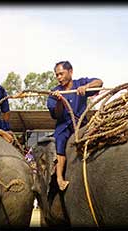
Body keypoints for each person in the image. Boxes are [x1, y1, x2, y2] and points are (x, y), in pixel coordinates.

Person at [47, 61, 103, 190]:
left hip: (81, 125)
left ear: (70, 72)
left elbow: (99, 82)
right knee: (59, 141)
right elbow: (56, 114)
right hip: (64, 126)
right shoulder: (54, 92)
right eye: (57, 75)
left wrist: (86, 87)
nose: (59, 77)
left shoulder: (80, 83)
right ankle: (59, 177)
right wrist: (60, 101)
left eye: (61, 74)